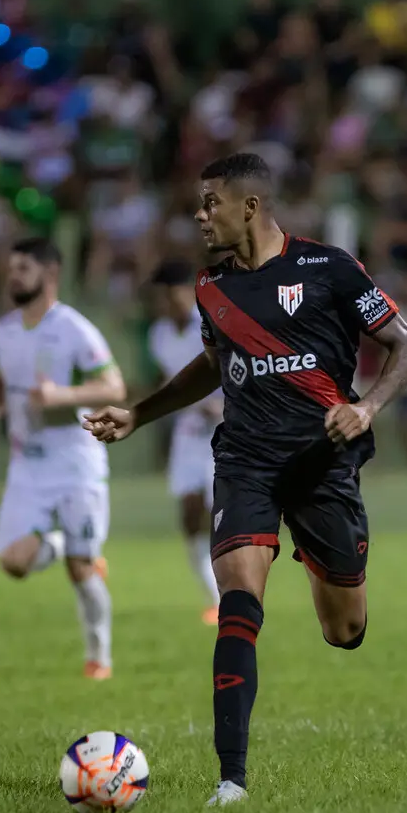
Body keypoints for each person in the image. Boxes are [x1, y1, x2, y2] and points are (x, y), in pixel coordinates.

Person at [83, 153, 407, 807]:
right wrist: (138, 414)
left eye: (210, 202)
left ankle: (318, 561)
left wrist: (368, 408)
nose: (199, 215)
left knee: (345, 630)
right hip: (246, 461)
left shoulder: (329, 268)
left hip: (323, 462)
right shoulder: (211, 286)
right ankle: (231, 780)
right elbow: (214, 364)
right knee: (238, 601)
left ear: (250, 207)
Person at [0, 238, 126, 680]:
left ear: (50, 274)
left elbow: (114, 387)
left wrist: (63, 395)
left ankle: (99, 658)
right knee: (13, 562)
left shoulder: (74, 329)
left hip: (76, 464)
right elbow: (7, 379)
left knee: (81, 570)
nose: (13, 277)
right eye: (11, 269)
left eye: (23, 268)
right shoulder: (4, 330)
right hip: (28, 466)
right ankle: (59, 544)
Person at [147, 261, 223, 624]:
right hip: (188, 432)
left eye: (169, 294)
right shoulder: (159, 334)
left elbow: (236, 369)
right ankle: (216, 599)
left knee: (220, 513)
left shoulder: (211, 324)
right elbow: (169, 379)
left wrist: (222, 406)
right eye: (159, 297)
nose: (164, 303)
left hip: (223, 429)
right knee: (190, 515)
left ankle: (238, 591)